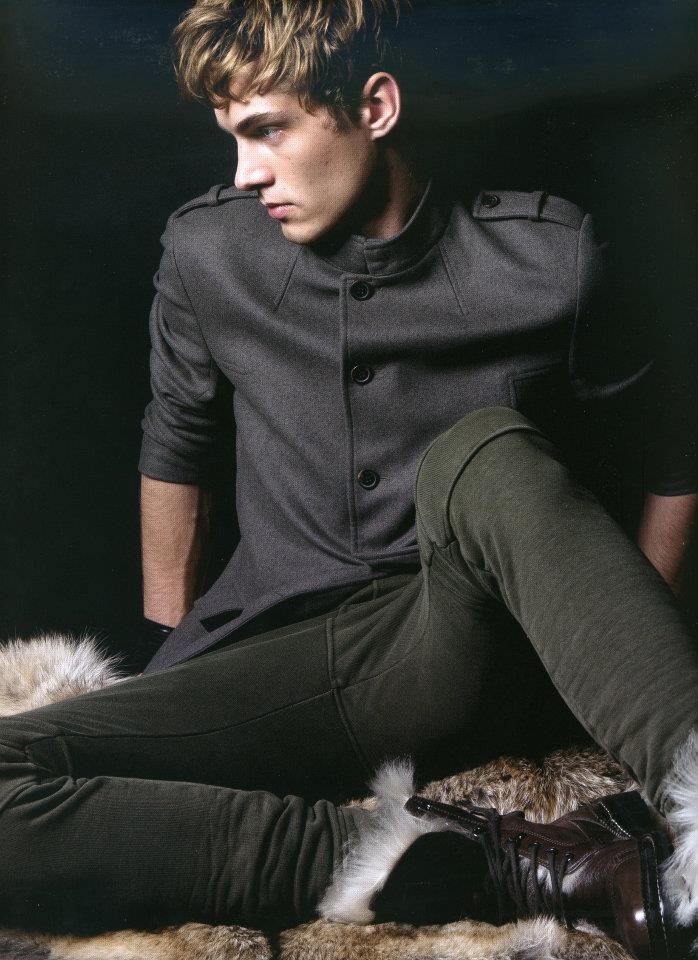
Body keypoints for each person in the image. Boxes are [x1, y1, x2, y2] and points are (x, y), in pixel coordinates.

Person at [0, 2, 697, 956]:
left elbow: (672, 452)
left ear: (375, 108)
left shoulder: (550, 258)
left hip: (460, 638)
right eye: (231, 138)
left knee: (486, 449)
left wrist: (623, 636)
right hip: (278, 652)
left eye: (268, 131)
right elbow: (178, 442)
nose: (245, 172)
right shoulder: (208, 252)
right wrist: (173, 652)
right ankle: (489, 865)